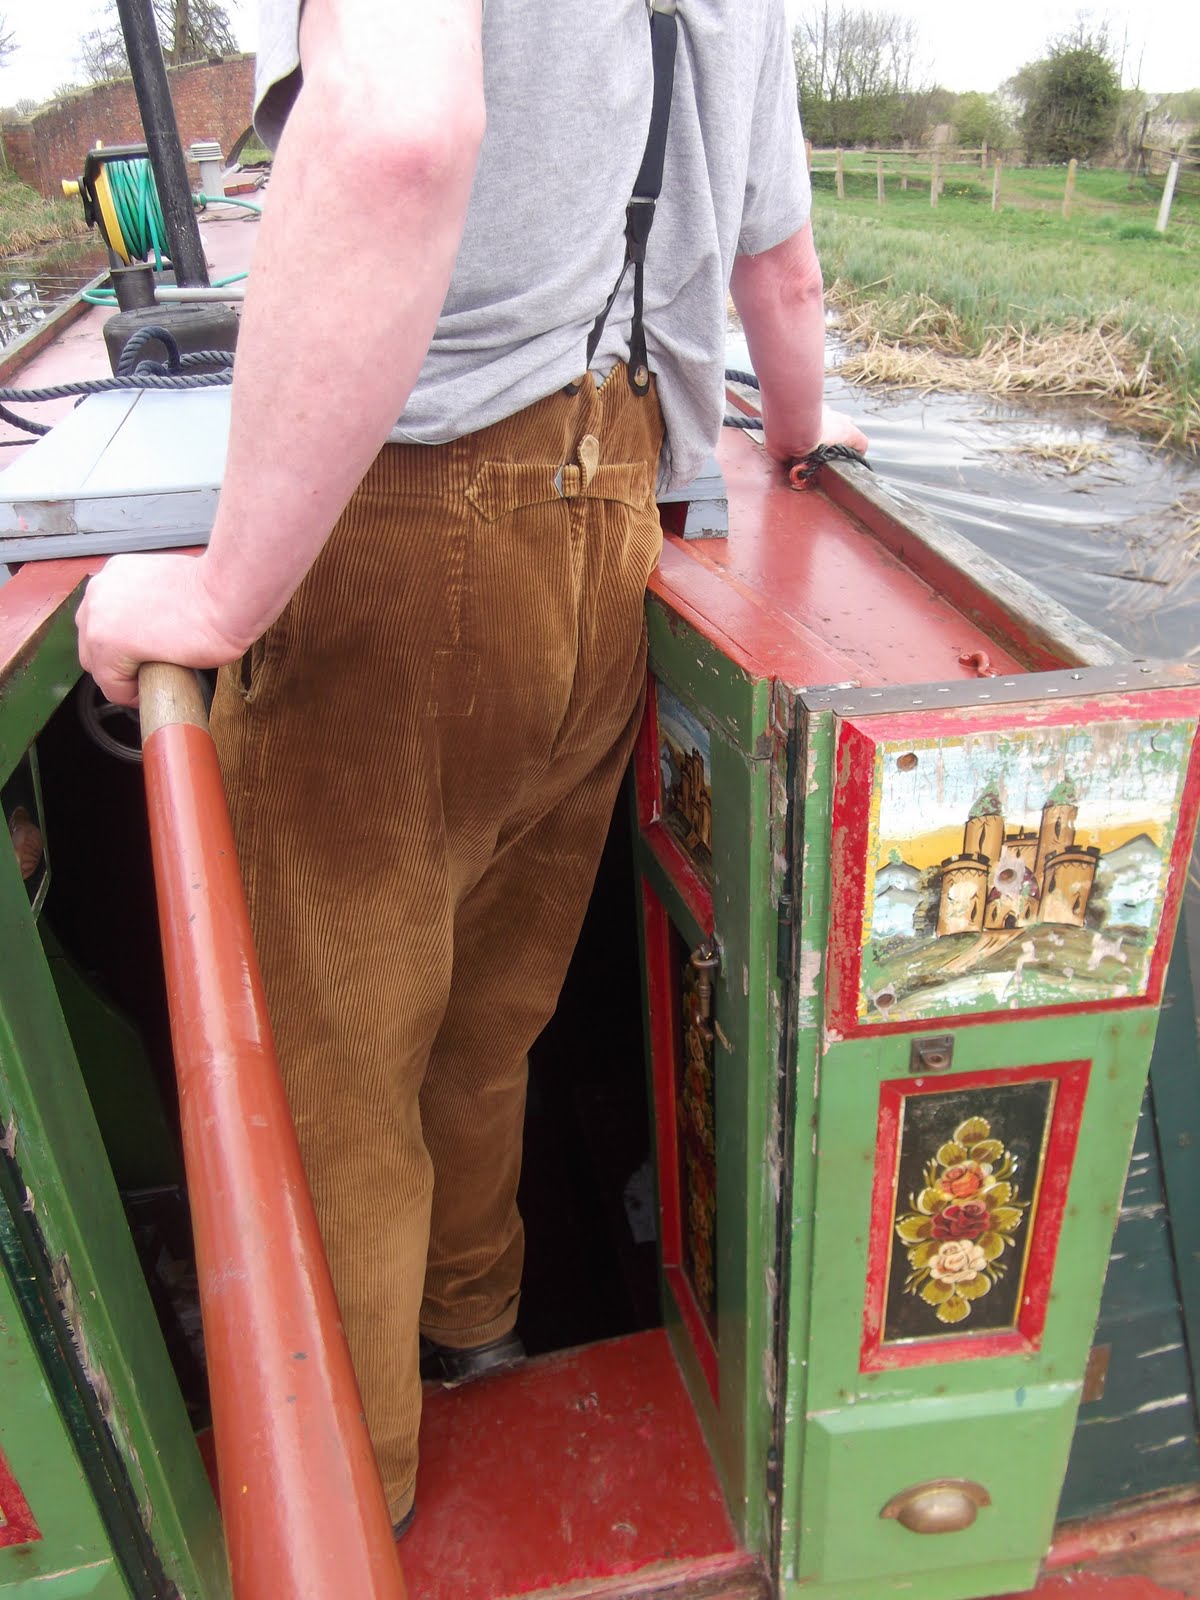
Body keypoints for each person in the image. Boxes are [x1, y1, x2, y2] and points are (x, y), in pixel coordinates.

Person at [77, 0, 868, 1533]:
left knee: (330, 1071)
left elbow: (395, 131)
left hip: (412, 511)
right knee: (487, 1022)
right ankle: (476, 1326)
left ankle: (348, 1504)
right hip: (617, 516)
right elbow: (782, 271)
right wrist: (805, 435)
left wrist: (225, 596)